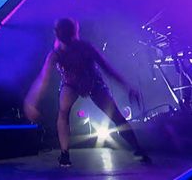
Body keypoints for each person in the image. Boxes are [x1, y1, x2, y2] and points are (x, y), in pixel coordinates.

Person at [23, 18, 150, 167]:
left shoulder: (85, 48)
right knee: (63, 112)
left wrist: (127, 86)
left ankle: (138, 148)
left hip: (93, 83)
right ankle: (65, 154)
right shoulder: (56, 54)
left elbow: (107, 68)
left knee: (115, 115)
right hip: (71, 84)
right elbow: (43, 79)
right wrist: (31, 101)